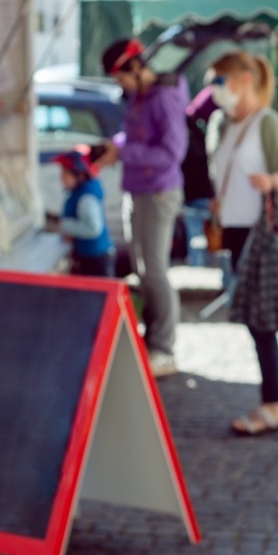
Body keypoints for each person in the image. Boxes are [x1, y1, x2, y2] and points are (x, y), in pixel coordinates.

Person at [208, 51, 278, 436]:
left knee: (260, 321)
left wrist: (271, 182)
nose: (214, 90)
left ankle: (272, 405)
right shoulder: (219, 124)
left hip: (261, 233)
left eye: (220, 80)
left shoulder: (268, 123)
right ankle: (271, 402)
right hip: (232, 230)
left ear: (244, 79)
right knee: (253, 319)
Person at [98, 38, 189, 376]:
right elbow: (134, 139)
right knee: (143, 271)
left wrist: (124, 153)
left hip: (158, 192)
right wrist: (115, 147)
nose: (119, 85)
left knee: (154, 271)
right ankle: (153, 341)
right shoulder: (140, 96)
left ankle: (164, 348)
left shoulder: (164, 97)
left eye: (119, 77)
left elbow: (171, 154)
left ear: (135, 67)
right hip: (137, 189)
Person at [56, 150, 115, 278]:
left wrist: (66, 226)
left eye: (66, 173)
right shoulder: (79, 192)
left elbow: (93, 228)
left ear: (80, 175)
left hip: (96, 259)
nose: (62, 178)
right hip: (90, 256)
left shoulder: (86, 198)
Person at [181, 86, 218, 268]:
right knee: (202, 234)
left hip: (195, 193)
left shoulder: (192, 134)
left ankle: (199, 268)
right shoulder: (201, 135)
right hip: (202, 192)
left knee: (198, 235)